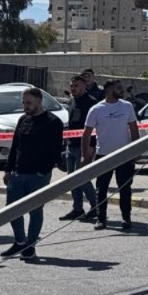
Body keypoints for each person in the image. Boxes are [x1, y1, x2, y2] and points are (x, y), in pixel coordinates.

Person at [3, 88, 64, 259]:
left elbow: (55, 151)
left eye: (28, 102)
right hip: (17, 173)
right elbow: (15, 146)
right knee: (11, 210)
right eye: (23, 102)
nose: (25, 106)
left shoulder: (53, 122)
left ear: (39, 100)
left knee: (35, 211)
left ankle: (30, 246)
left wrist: (42, 171)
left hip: (38, 176)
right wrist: (8, 169)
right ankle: (20, 242)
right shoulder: (23, 119)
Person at [83, 80, 140, 230]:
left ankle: (126, 218)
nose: (122, 90)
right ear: (108, 90)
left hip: (124, 155)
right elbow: (86, 134)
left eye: (121, 88)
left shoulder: (127, 106)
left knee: (125, 189)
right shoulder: (96, 109)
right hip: (103, 155)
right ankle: (101, 219)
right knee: (101, 189)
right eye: (118, 88)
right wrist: (86, 156)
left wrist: (136, 150)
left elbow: (134, 129)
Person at [58, 76, 99, 222]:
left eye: (76, 86)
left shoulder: (91, 103)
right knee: (71, 179)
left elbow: (94, 128)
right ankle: (77, 209)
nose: (73, 88)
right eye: (72, 86)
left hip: (85, 147)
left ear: (84, 86)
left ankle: (96, 206)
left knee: (83, 179)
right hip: (71, 145)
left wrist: (90, 149)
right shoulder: (73, 101)